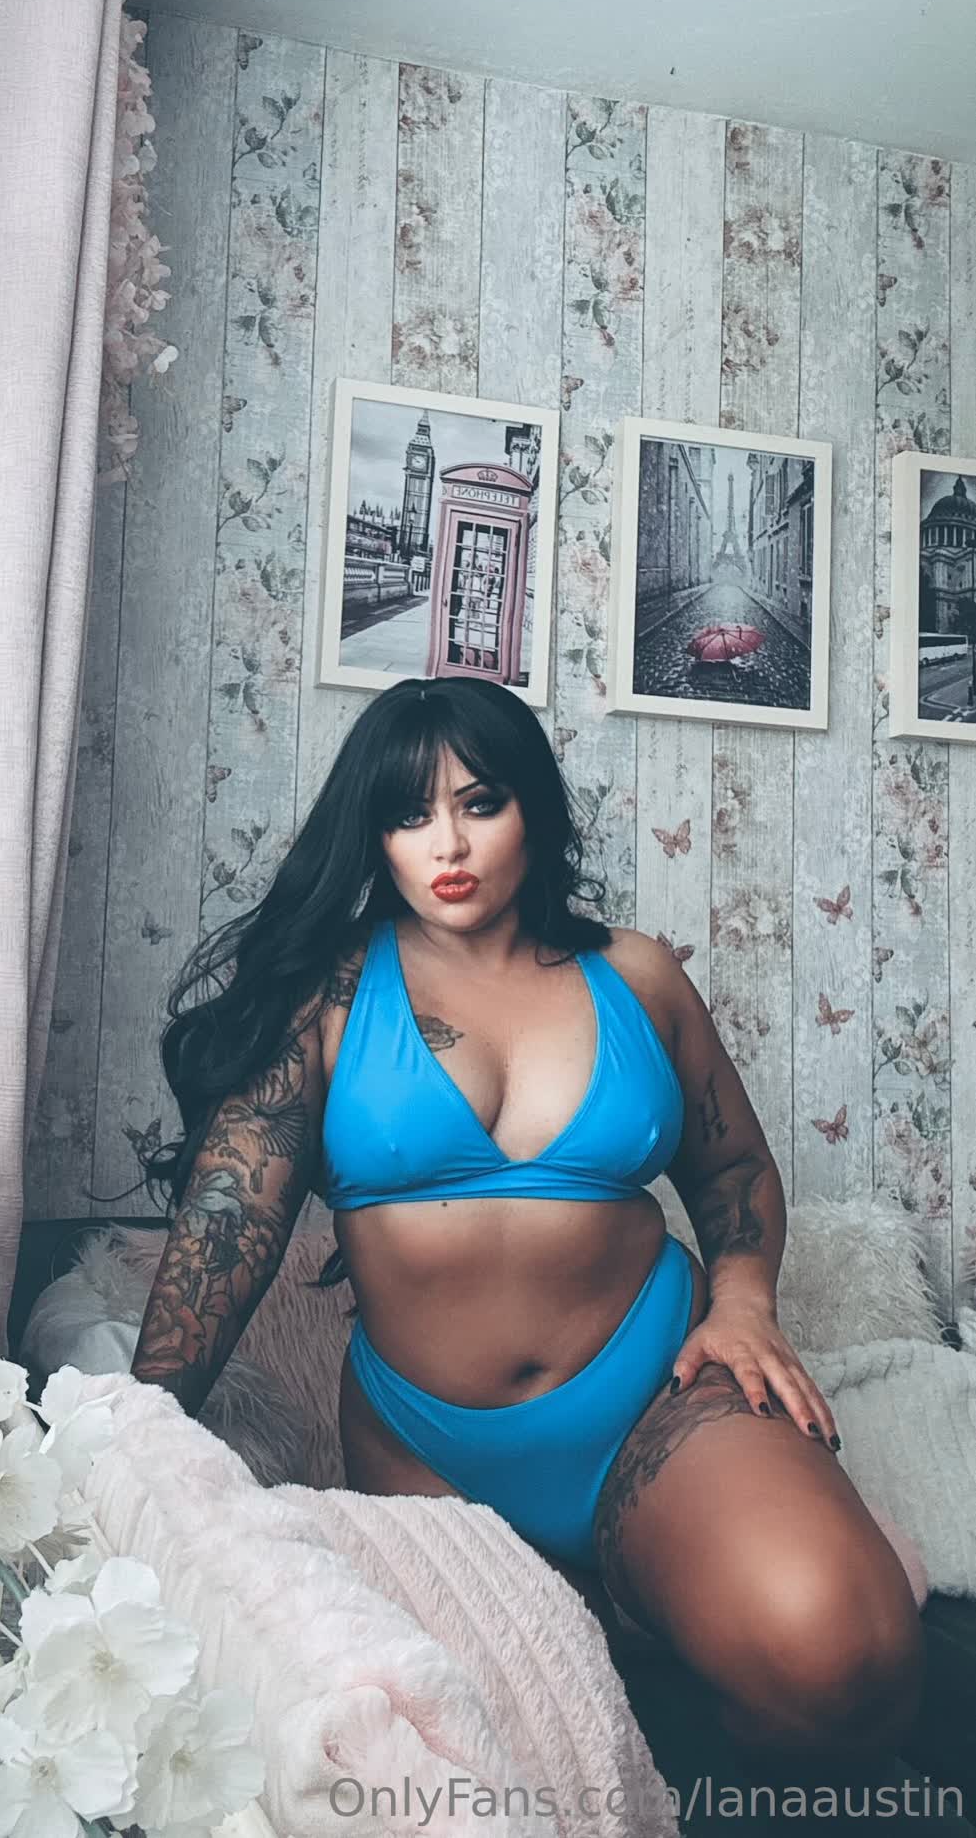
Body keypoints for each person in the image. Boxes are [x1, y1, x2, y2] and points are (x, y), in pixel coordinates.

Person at [130, 674, 923, 1778]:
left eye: (479, 803)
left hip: (658, 1403)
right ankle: (635, 1617)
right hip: (430, 1448)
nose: (446, 844)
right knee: (508, 1742)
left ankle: (655, 1600)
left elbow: (734, 1166)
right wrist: (132, 1433)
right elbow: (229, 1226)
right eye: (408, 815)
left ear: (533, 811)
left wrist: (745, 1302)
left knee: (849, 1661)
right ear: (376, 837)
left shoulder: (636, 975)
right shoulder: (328, 997)